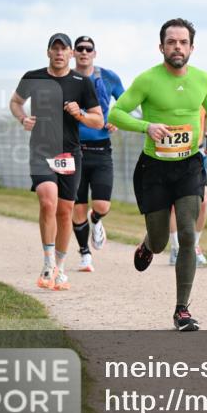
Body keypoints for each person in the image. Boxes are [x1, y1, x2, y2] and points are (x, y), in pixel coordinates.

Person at [108, 18, 207, 331]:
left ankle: (182, 309)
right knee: (159, 242)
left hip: (188, 166)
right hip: (154, 167)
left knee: (187, 233)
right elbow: (115, 112)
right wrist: (147, 126)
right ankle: (148, 244)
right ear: (161, 47)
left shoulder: (202, 79)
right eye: (171, 42)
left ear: (192, 48)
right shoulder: (147, 80)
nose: (177, 47)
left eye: (183, 42)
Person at [9, 33, 103, 290]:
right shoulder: (33, 77)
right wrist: (22, 119)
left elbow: (98, 120)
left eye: (64, 49)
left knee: (65, 212)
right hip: (41, 151)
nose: (60, 53)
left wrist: (80, 114)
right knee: (47, 200)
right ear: (48, 52)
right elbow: (16, 102)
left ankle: (60, 269)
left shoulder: (82, 82)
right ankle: (48, 263)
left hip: (70, 154)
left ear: (71, 54)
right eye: (55, 48)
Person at [70, 35, 125, 273]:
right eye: (80, 49)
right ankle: (84, 254)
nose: (84, 52)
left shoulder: (108, 77)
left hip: (101, 150)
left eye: (88, 49)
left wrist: (115, 120)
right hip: (74, 150)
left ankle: (97, 221)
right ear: (73, 53)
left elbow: (124, 103)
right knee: (77, 207)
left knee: (101, 205)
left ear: (94, 53)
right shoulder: (66, 79)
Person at [170, 106, 207, 267]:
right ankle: (176, 247)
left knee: (203, 201)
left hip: (197, 153)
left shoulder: (202, 87)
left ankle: (194, 246)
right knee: (172, 204)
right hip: (171, 151)